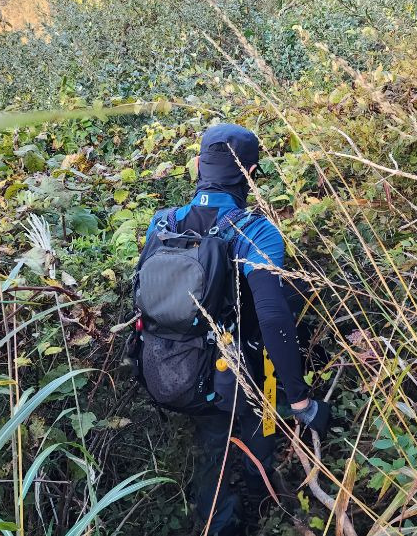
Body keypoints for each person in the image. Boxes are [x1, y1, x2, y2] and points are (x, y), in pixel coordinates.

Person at [135, 123, 331, 535]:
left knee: (213, 454)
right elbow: (274, 318)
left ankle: (220, 518)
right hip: (236, 377)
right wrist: (301, 402)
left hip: (171, 370)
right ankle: (262, 507)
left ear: (198, 166)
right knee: (257, 437)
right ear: (251, 174)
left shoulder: (162, 223)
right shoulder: (253, 230)